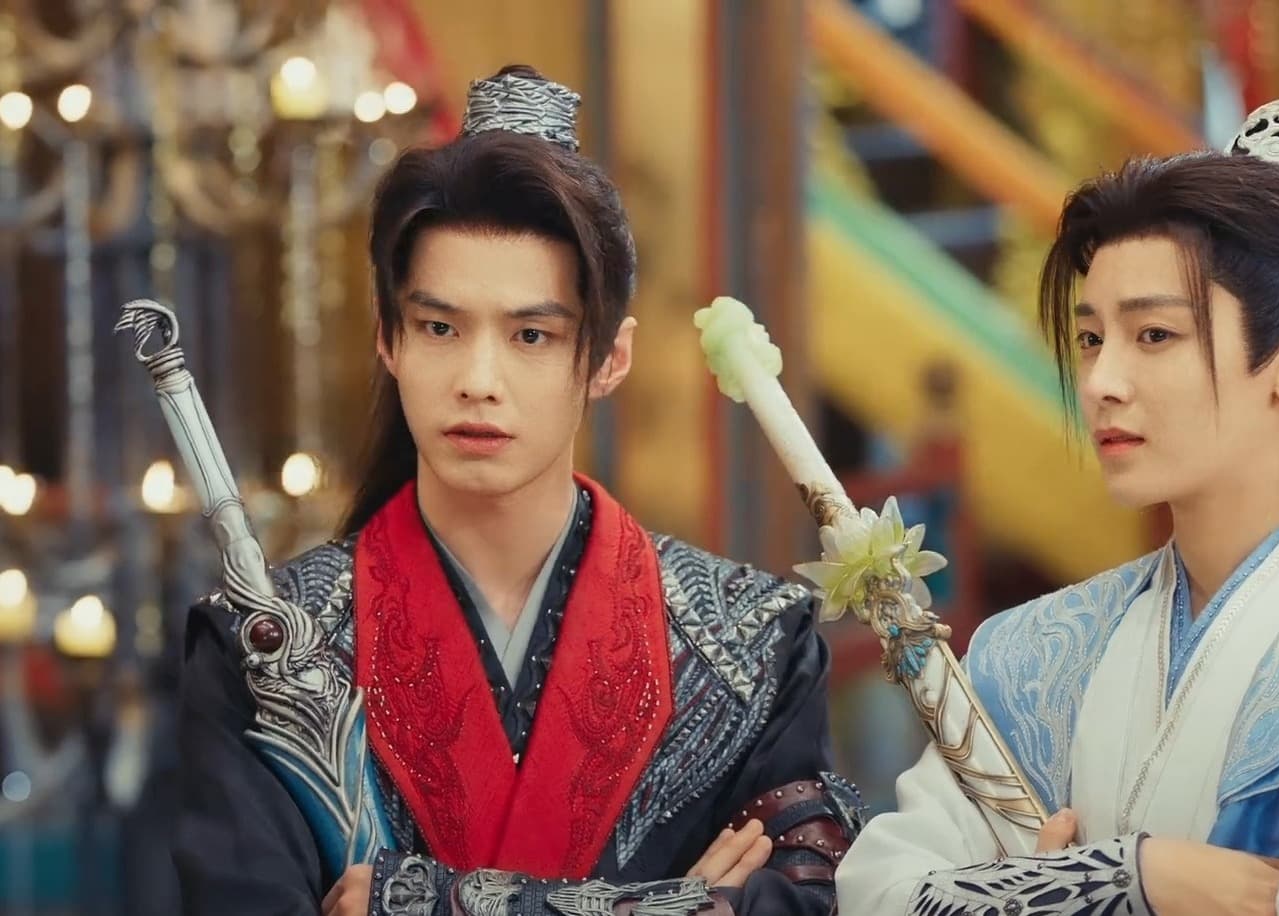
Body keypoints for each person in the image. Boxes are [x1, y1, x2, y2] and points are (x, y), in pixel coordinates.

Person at [834, 94, 1279, 915]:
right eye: (1091, 338)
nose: (1102, 381)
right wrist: (1126, 880)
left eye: (1154, 335)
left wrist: (1032, 892)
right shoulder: (1034, 660)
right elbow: (875, 897)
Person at [172, 65, 864, 916]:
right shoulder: (262, 649)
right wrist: (676, 904)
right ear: (388, 339)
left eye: (531, 335)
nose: (478, 379)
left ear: (609, 358)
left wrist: (420, 901)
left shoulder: (756, 645)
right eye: (439, 327)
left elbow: (816, 901)